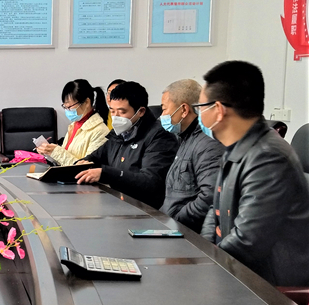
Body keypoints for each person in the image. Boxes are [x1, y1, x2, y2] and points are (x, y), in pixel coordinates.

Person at [198, 61, 309, 286]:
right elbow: (214, 210)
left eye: (200, 107)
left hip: (270, 287)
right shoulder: (236, 148)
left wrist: (206, 263)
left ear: (218, 110)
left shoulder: (268, 157)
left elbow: (247, 242)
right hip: (238, 270)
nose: (199, 113)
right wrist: (205, 251)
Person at [76, 81, 178, 208]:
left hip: (144, 209)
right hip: (117, 203)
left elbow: (151, 181)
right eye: (112, 111)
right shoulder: (118, 133)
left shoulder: (160, 136)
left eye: (122, 112)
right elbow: (95, 157)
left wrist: (106, 173)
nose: (116, 117)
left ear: (141, 111)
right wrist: (82, 164)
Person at [159, 79, 224, 232]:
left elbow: (210, 197)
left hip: (186, 232)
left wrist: (176, 219)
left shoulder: (207, 144)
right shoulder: (185, 138)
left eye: (164, 109)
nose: (162, 115)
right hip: (169, 225)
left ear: (184, 110)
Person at [35, 79, 110, 166]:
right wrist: (48, 152)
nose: (67, 111)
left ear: (87, 102)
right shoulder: (74, 125)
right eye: (65, 107)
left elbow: (88, 167)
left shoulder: (100, 131)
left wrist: (56, 152)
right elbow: (64, 161)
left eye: (70, 107)